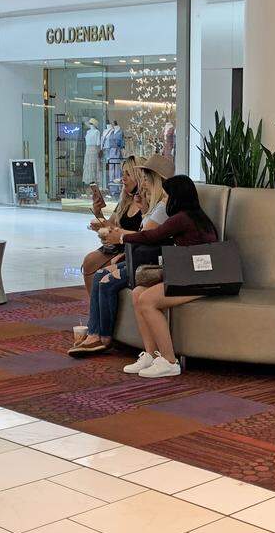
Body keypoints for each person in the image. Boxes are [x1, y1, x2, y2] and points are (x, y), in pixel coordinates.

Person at [101, 175, 218, 377]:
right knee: (138, 292)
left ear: (176, 197)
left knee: (146, 300)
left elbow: (152, 236)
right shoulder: (195, 217)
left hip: (203, 280)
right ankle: (150, 354)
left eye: (166, 196)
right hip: (192, 275)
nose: (164, 201)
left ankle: (169, 361)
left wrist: (121, 236)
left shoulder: (182, 218)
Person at [69, 154, 174, 355]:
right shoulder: (143, 203)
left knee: (105, 278)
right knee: (97, 272)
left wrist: (122, 240)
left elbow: (146, 237)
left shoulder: (161, 206)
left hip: (146, 260)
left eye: (144, 177)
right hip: (133, 254)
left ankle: (103, 336)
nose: (141, 181)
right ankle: (96, 332)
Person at [80, 156, 142, 294]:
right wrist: (98, 212)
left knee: (98, 268)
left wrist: (108, 226)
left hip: (131, 246)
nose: (123, 178)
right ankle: (94, 305)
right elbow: (111, 225)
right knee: (89, 261)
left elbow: (142, 233)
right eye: (122, 173)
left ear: (139, 176)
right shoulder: (125, 201)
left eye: (128, 174)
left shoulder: (144, 201)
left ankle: (98, 306)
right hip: (117, 244)